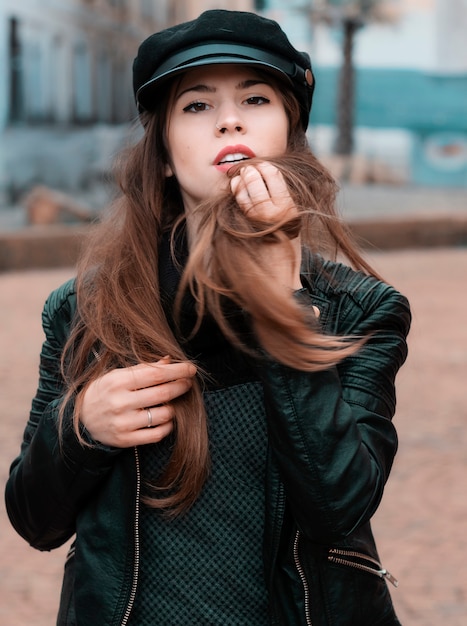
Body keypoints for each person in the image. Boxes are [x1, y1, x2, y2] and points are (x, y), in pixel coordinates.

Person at [5, 9, 411, 626]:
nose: (229, 118)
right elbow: (34, 519)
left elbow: (340, 507)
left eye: (256, 97)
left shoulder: (362, 311)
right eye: (196, 106)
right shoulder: (87, 308)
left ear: (290, 140)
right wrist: (81, 428)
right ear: (164, 155)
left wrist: (281, 301)